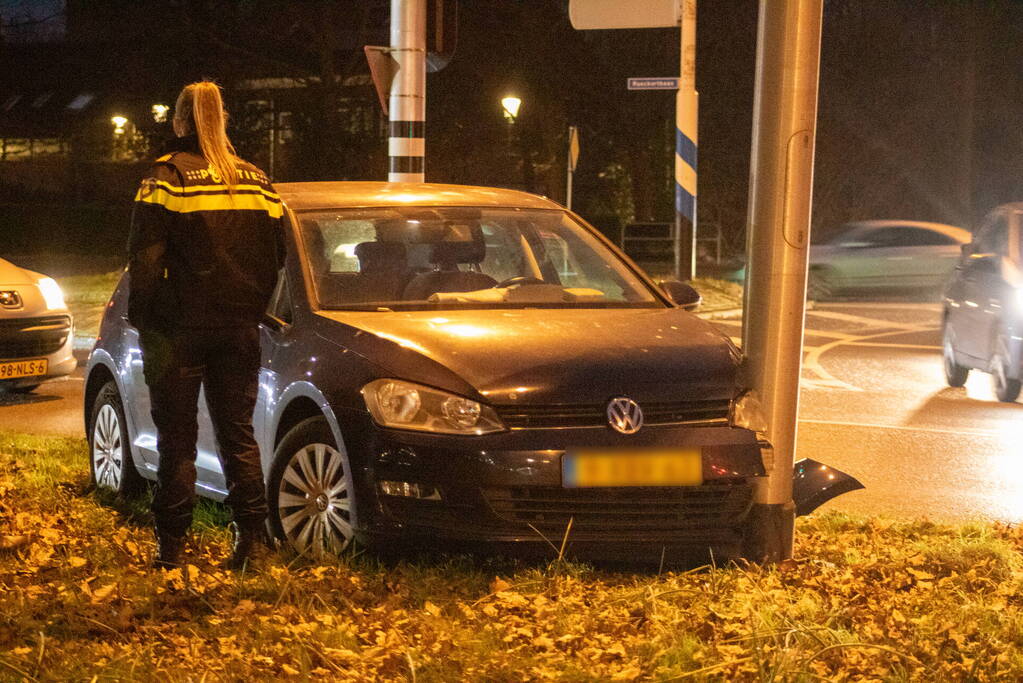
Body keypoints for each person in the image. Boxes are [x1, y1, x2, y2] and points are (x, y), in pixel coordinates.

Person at [126, 80, 284, 571]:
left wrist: (145, 319)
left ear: (180, 121)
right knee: (239, 435)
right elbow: (277, 258)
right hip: (239, 329)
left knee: (177, 438)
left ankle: (171, 550)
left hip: (178, 330)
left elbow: (145, 263)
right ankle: (252, 545)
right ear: (223, 120)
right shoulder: (257, 181)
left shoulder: (165, 179)